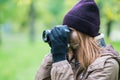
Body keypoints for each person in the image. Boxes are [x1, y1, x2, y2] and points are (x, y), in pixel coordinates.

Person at [35, 0, 120, 80]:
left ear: (83, 33)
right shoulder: (73, 57)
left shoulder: (108, 65)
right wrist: (54, 53)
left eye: (70, 31)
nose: (66, 35)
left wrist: (60, 59)